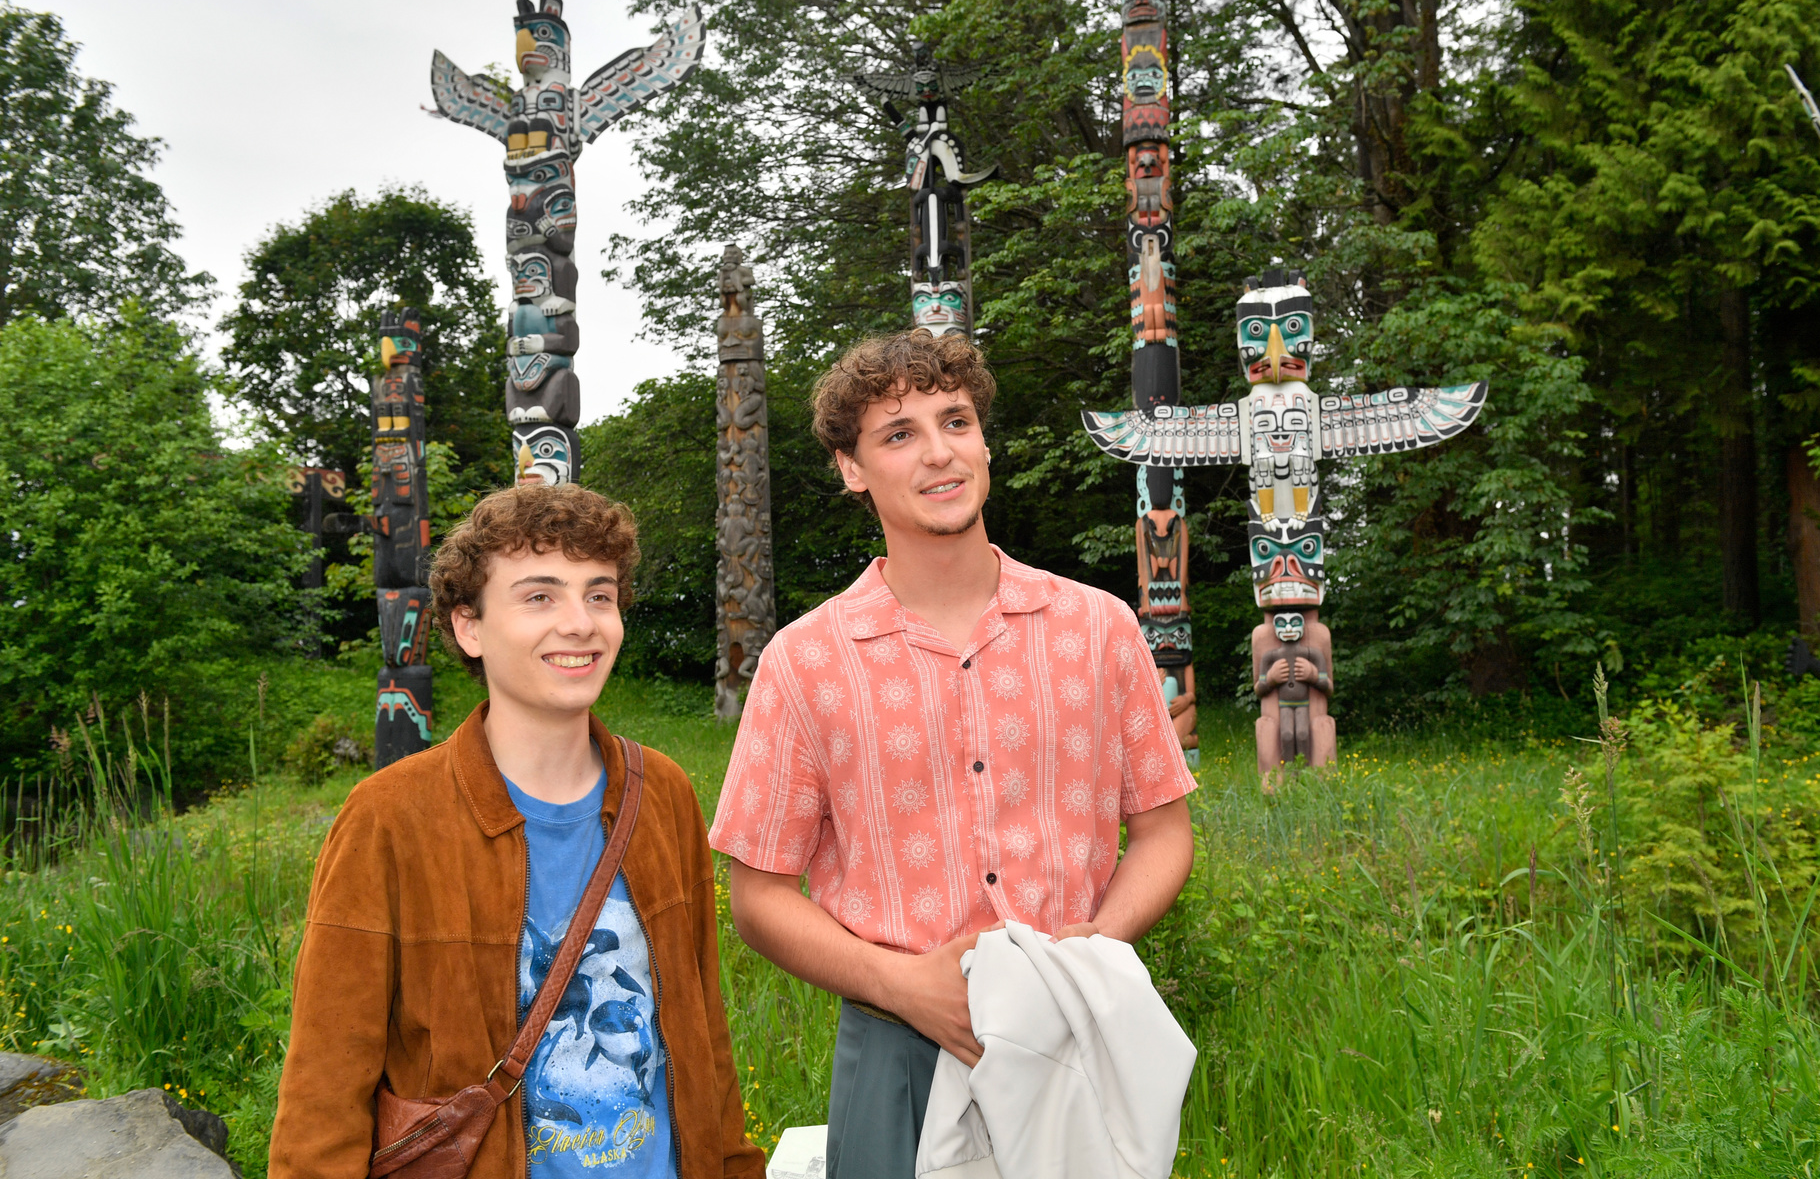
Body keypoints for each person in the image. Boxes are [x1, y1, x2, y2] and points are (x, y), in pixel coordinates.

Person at [709, 330, 1197, 1178]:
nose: (939, 453)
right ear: (851, 468)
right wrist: (899, 985)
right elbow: (758, 896)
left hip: (1078, 1029)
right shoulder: (805, 662)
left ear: (984, 442)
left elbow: (1163, 832)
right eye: (900, 434)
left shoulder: (1099, 628)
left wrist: (1092, 949)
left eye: (957, 422)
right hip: (896, 1049)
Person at [270, 484, 764, 1179]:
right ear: (469, 627)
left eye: (599, 595)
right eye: (540, 597)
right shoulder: (388, 819)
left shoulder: (663, 793)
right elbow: (324, 1092)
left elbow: (702, 1031)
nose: (580, 623)